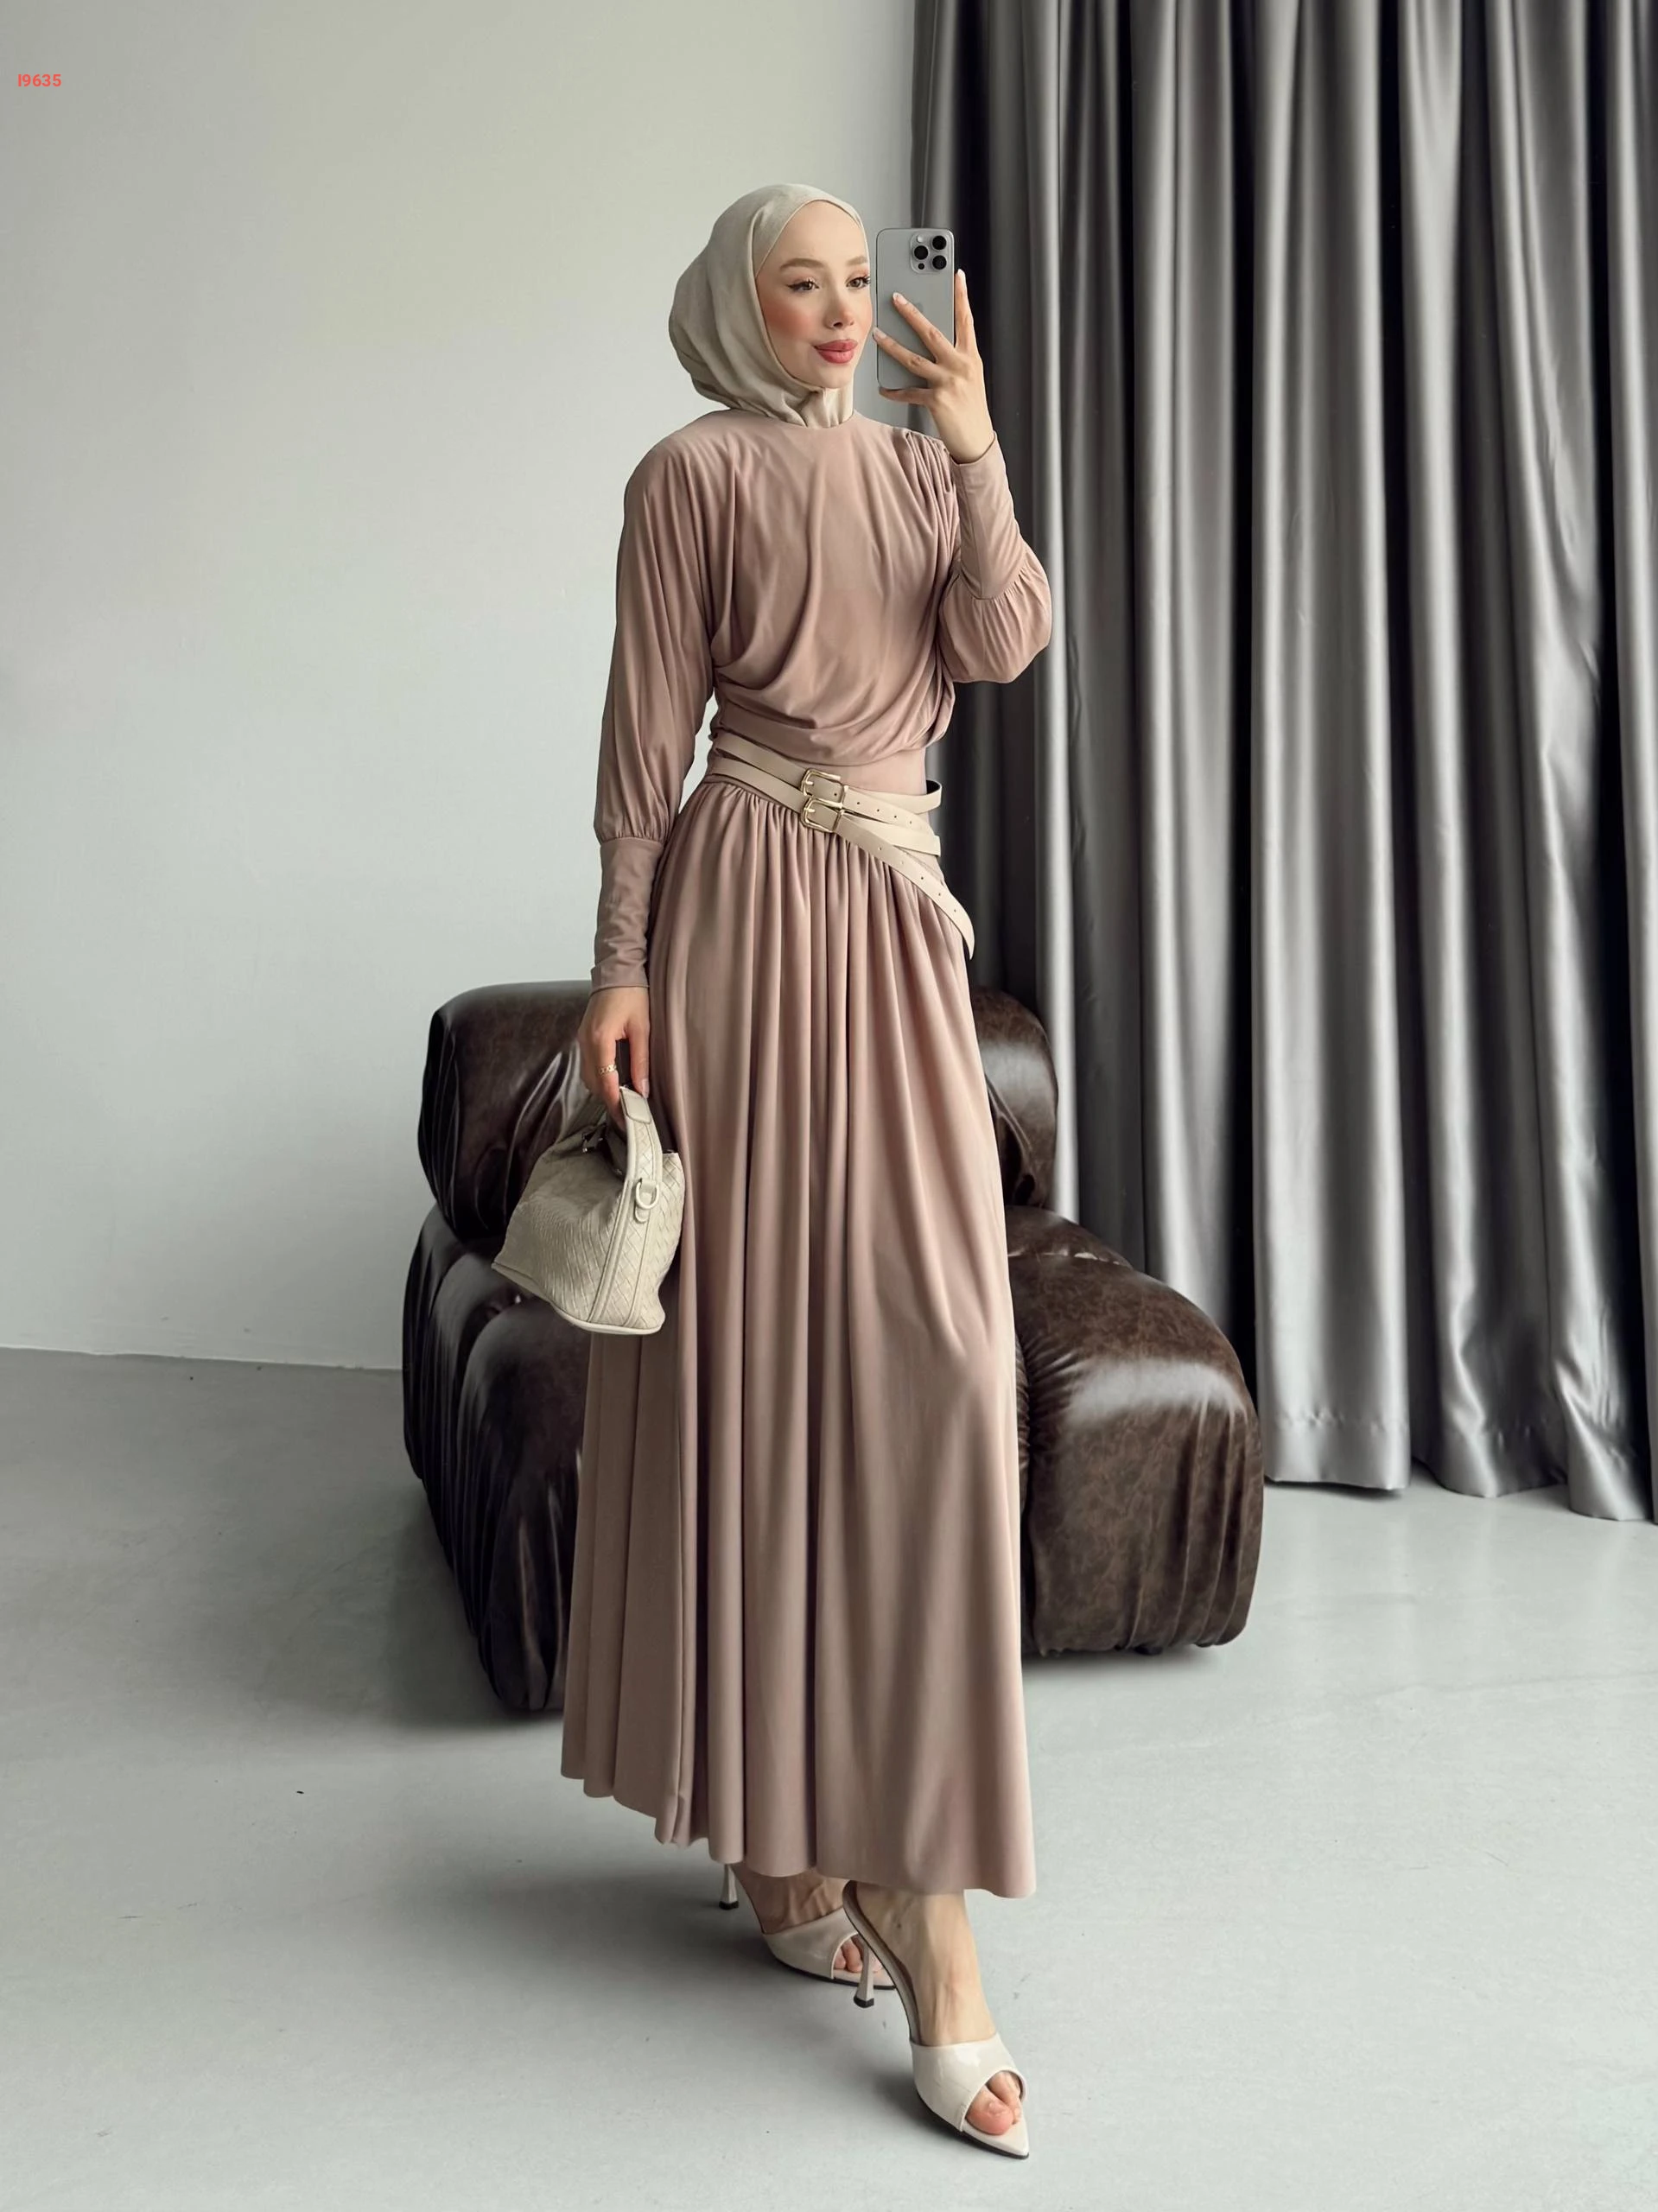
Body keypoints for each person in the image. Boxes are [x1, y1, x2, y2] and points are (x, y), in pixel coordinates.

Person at [563, 182, 1053, 2156]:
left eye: (863, 281)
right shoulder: (686, 476)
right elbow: (643, 740)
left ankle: (903, 1876)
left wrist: (977, 444)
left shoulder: (925, 471)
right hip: (743, 921)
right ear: (734, 303)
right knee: (754, 1366)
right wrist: (617, 966)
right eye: (804, 283)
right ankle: (800, 1859)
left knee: (941, 1363)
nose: (845, 312)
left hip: (895, 924)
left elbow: (1002, 642)